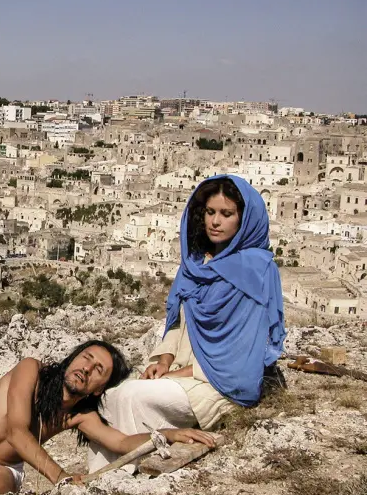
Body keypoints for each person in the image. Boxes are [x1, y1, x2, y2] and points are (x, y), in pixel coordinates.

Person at [88, 175, 286, 473]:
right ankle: (106, 476)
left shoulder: (255, 270)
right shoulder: (196, 264)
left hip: (219, 384)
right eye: (210, 212)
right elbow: (181, 321)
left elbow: (243, 353)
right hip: (182, 374)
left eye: (226, 214)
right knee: (109, 397)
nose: (215, 222)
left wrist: (176, 373)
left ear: (244, 220)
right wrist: (164, 358)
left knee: (130, 395)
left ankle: (126, 474)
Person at [0, 340, 217, 495]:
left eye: (99, 370)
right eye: (86, 357)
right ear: (73, 358)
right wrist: (61, 478)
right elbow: (17, 432)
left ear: (99, 389)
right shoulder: (31, 371)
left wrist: (167, 434)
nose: (87, 368)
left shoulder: (79, 415)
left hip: (1, 468)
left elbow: (121, 442)